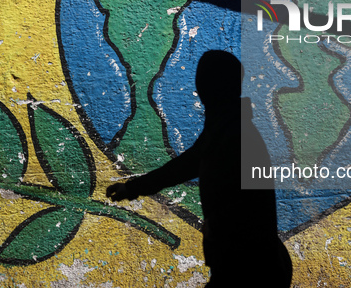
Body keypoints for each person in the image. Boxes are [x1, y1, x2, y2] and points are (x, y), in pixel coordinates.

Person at [107, 50, 292, 287]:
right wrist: (133, 188)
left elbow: (187, 169)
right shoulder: (226, 130)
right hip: (249, 266)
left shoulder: (233, 136)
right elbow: (185, 166)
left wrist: (133, 188)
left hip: (247, 270)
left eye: (204, 81)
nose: (200, 87)